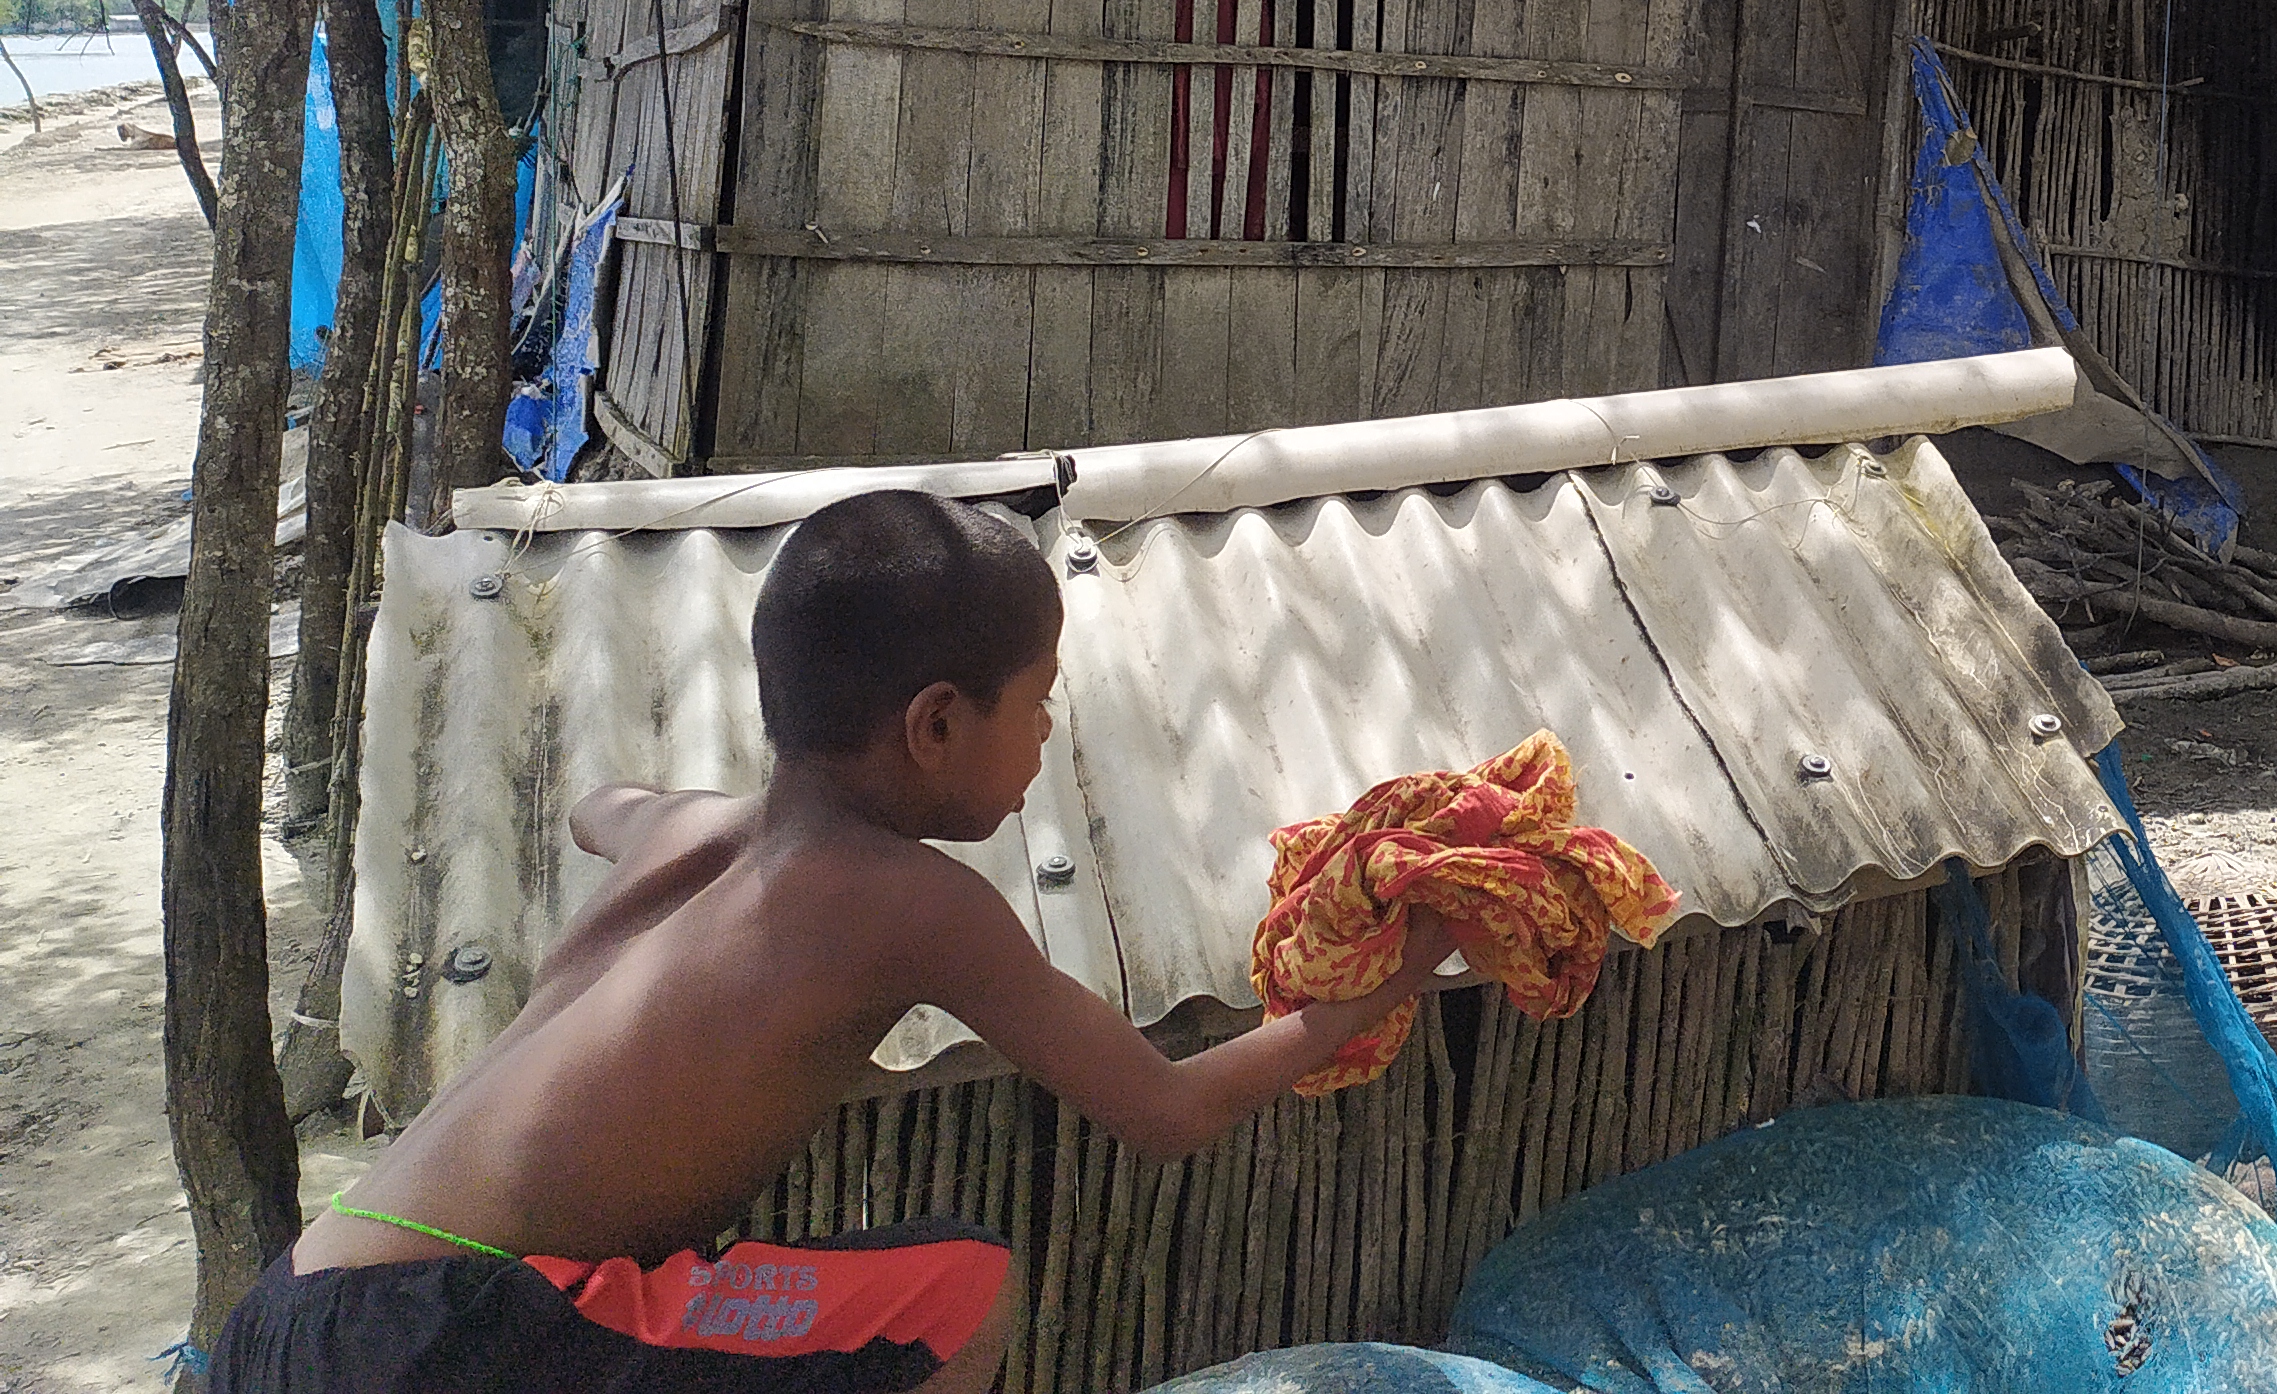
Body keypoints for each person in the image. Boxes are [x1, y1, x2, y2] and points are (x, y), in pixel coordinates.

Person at [212, 488, 1455, 1392]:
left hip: (297, 1313)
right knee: (959, 1292)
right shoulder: (907, 901)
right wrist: (1383, 980)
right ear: (935, 725)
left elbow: (601, 805)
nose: (1045, 736)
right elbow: (1165, 1111)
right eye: (1037, 703)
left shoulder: (686, 832)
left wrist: (643, 816)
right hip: (433, 1336)